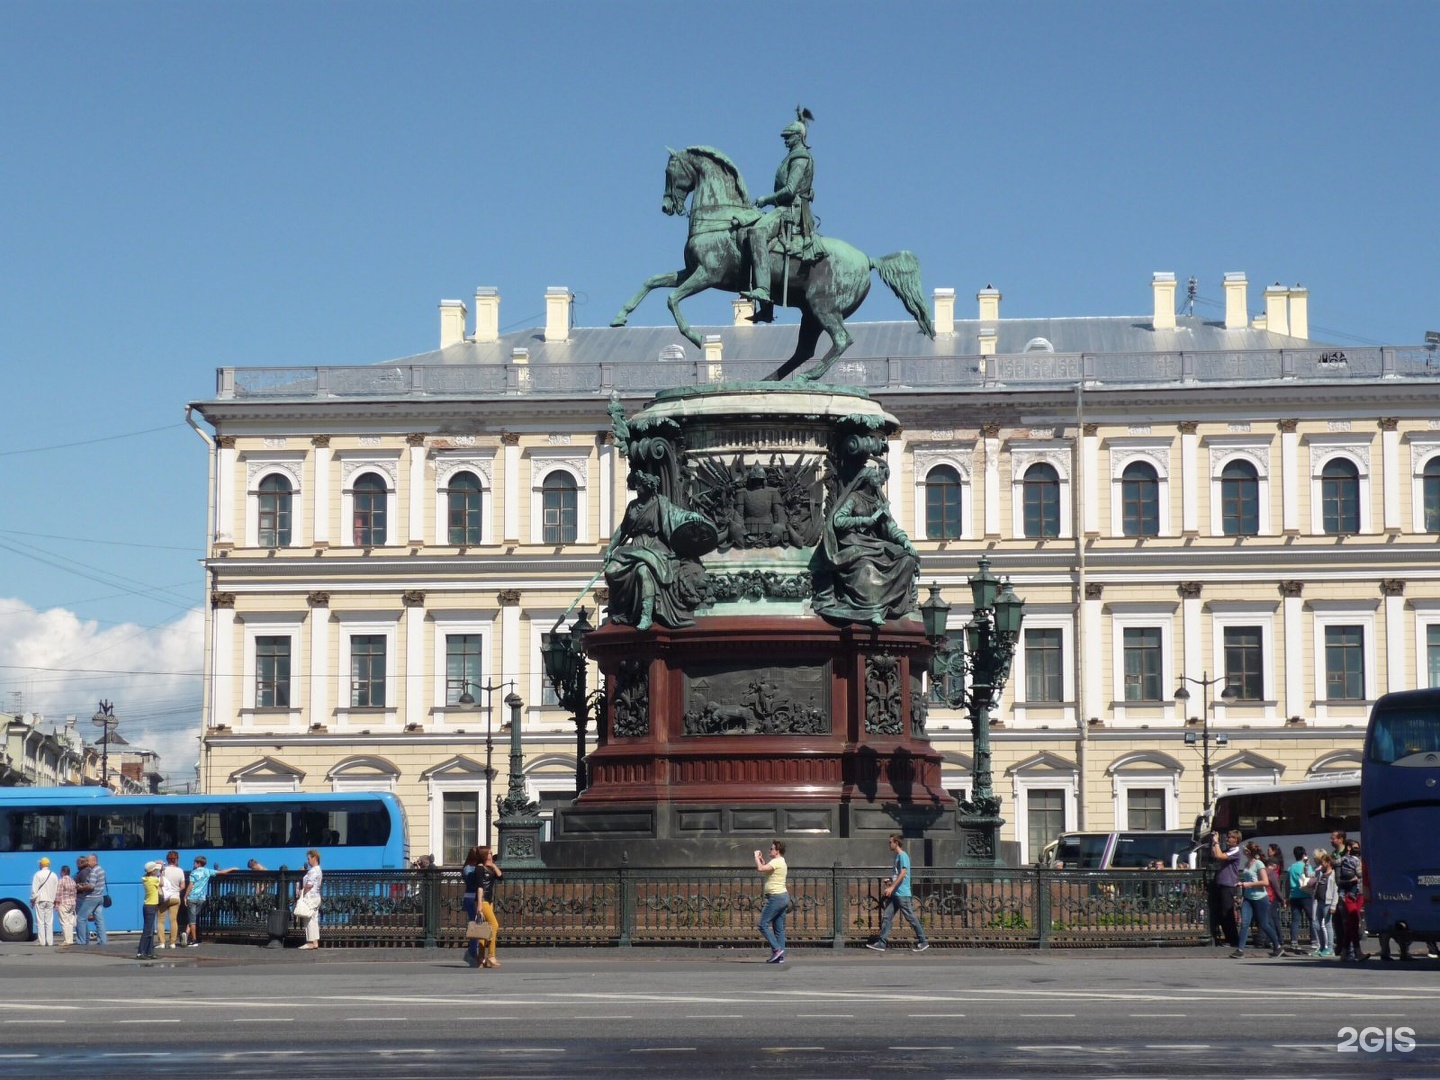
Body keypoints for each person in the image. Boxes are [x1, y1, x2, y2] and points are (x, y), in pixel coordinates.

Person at [603, 468, 714, 631]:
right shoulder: (633, 506)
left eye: (640, 484)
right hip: (635, 547)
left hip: (655, 547)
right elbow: (622, 529)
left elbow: (678, 514)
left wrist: (692, 516)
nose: (636, 487)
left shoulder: (660, 503)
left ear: (648, 486)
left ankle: (646, 614)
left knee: (643, 570)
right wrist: (609, 549)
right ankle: (621, 608)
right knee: (611, 571)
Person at [812, 461, 919, 627]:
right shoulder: (854, 497)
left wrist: (905, 542)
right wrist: (863, 520)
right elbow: (838, 520)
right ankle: (871, 610)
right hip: (854, 543)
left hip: (874, 545)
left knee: (908, 561)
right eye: (876, 476)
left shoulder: (878, 503)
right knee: (866, 567)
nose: (880, 480)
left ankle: (889, 606)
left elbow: (891, 526)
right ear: (867, 480)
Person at [741, 108, 817, 322]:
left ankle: (763, 290)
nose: (785, 140)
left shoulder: (800, 157)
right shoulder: (792, 156)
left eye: (788, 136)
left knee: (756, 233)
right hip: (782, 208)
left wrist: (766, 199)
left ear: (798, 136)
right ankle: (766, 308)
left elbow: (791, 189)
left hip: (789, 211)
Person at [866, 834, 929, 953]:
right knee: (887, 917)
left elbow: (903, 873)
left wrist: (891, 887)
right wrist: (891, 882)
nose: (889, 844)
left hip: (902, 893)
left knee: (910, 917)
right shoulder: (897, 857)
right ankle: (881, 943)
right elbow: (898, 875)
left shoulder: (903, 856)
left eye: (890, 842)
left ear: (896, 843)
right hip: (896, 893)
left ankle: (923, 941)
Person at [1233, 841, 1283, 959]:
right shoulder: (1246, 864)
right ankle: (1240, 950)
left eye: (1245, 848)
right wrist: (1242, 885)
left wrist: (1248, 884)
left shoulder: (1259, 863)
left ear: (1249, 851)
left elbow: (1265, 882)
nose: (1243, 849)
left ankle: (1278, 946)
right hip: (1248, 898)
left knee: (1264, 924)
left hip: (1260, 898)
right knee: (1245, 923)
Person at [464, 846, 503, 969]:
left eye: (491, 853)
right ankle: (491, 956)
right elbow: (480, 887)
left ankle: (480, 958)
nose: (491, 855)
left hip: (489, 901)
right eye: (489, 853)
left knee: (484, 929)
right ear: (484, 855)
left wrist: (493, 865)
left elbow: (500, 876)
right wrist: (479, 905)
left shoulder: (489, 867)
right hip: (483, 901)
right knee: (494, 925)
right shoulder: (480, 869)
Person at [183, 855, 236, 947]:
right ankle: (186, 934)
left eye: (195, 862)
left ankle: (194, 939)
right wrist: (233, 868)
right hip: (202, 898)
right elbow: (222, 872)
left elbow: (191, 885)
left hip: (192, 897)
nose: (193, 864)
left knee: (192, 920)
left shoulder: (193, 873)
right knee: (193, 917)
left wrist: (185, 896)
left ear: (198, 863)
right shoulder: (208, 871)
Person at [754, 839, 790, 964]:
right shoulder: (781, 861)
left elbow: (760, 868)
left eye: (771, 849)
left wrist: (755, 856)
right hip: (783, 897)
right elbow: (766, 868)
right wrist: (762, 860)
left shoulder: (776, 861)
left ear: (777, 851)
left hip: (776, 897)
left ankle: (777, 949)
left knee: (762, 924)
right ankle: (780, 956)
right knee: (779, 928)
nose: (769, 850)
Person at [1208, 830, 1243, 948]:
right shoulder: (1229, 850)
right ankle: (1228, 938)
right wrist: (1214, 843)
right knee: (1221, 912)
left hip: (1228, 884)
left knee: (1227, 913)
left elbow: (1219, 855)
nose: (1228, 839)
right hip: (1221, 883)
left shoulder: (1236, 850)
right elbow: (1215, 855)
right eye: (1228, 837)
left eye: (1230, 837)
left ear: (1236, 840)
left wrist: (1216, 842)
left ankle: (1234, 940)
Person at [1334, 839, 1366, 962]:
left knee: (1352, 924)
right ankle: (1356, 950)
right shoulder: (1343, 861)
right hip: (1347, 894)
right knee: (1353, 921)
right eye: (1354, 847)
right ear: (1348, 848)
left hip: (1359, 893)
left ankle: (1345, 950)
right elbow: (1338, 881)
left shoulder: (1357, 861)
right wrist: (1350, 881)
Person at [1285, 846, 1316, 953]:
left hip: (1294, 895)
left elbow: (1287, 884)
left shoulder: (1291, 868)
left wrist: (1287, 896)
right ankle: (1314, 940)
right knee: (1312, 918)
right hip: (1306, 895)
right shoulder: (1306, 866)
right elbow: (1310, 880)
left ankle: (1294, 941)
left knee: (1295, 920)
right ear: (1304, 855)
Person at [75, 853, 107, 946]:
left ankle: (82, 941)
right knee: (99, 919)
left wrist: (80, 888)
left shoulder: (93, 871)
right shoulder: (101, 870)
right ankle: (102, 941)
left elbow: (91, 886)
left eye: (88, 861)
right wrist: (84, 885)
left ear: (94, 860)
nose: (87, 863)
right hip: (100, 897)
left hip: (92, 897)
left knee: (81, 918)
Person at [157, 850, 185, 948]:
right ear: (176, 859)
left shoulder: (163, 870)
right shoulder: (180, 871)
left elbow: (160, 882)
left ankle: (162, 943)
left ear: (167, 860)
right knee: (173, 920)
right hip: (175, 897)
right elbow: (182, 886)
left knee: (161, 920)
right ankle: (172, 942)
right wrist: (176, 890)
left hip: (164, 898)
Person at [296, 849, 323, 950]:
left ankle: (311, 942)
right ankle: (314, 941)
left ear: (314, 858)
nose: (308, 861)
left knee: (309, 920)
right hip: (315, 897)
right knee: (314, 919)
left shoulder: (313, 871)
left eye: (309, 859)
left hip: (310, 897)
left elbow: (309, 885)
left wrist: (302, 891)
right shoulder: (318, 870)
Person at [1310, 850, 1335, 957]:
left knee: (1328, 924)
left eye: (1323, 862)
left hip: (1327, 901)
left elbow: (1335, 891)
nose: (1322, 865)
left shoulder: (1333, 874)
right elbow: (1310, 874)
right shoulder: (1321, 873)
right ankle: (1322, 946)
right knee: (1316, 923)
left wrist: (1333, 905)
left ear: (1328, 862)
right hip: (1319, 900)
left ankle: (1330, 948)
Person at [29, 857, 58, 947]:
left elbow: (34, 889)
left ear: (41, 864)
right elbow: (56, 889)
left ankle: (42, 941)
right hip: (50, 900)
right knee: (49, 921)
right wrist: (54, 900)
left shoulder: (38, 874)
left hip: (40, 900)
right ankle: (50, 942)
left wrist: (32, 900)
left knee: (40, 921)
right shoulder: (54, 875)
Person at [136, 860, 160, 960]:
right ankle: (141, 952)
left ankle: (149, 951)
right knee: (147, 930)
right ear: (152, 871)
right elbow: (161, 882)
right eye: (155, 870)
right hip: (151, 906)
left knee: (150, 930)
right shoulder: (153, 880)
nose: (157, 871)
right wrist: (162, 871)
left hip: (148, 905)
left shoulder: (146, 878)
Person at [55, 864, 77, 947]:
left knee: (64, 922)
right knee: (70, 922)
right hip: (72, 903)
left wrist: (56, 904)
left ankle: (66, 940)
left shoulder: (61, 881)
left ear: (63, 872)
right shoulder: (72, 881)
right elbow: (75, 893)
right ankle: (70, 939)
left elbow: (58, 894)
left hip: (64, 903)